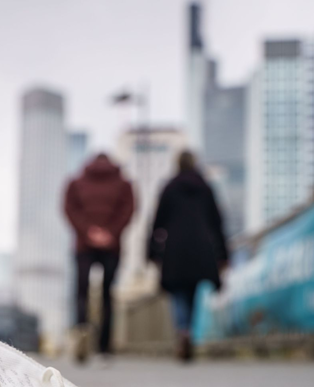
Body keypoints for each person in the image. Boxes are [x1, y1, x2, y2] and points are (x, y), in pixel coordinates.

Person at [147, 150, 228, 362]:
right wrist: (223, 255)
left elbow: (157, 223)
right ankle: (189, 331)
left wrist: (152, 252)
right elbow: (217, 223)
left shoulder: (169, 188)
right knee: (192, 293)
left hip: (174, 250)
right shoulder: (206, 188)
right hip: (201, 250)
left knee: (178, 294)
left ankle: (182, 331)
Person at [64, 153, 135, 364]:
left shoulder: (75, 182)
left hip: (83, 245)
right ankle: (105, 347)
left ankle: (82, 340)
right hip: (112, 246)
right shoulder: (124, 184)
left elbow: (69, 209)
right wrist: (110, 233)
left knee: (81, 292)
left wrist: (88, 232)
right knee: (107, 296)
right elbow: (128, 210)